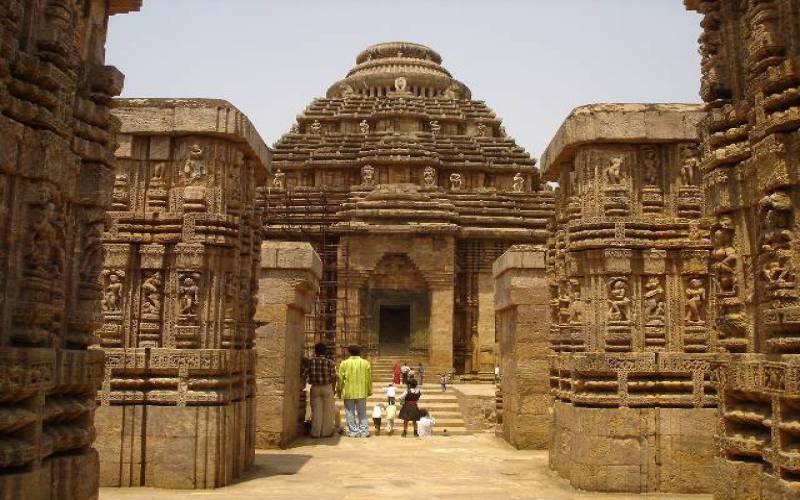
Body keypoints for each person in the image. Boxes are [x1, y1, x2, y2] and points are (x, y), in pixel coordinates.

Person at [303, 342, 337, 438]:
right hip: (327, 387)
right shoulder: (330, 362)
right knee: (328, 410)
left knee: (316, 410)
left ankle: (316, 432)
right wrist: (333, 389)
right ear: (325, 351)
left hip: (315, 387)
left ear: (315, 351)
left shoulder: (311, 362)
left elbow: (304, 374)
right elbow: (333, 377)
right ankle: (327, 432)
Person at [337, 344, 372, 437]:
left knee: (350, 412)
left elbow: (340, 379)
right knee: (362, 412)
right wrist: (369, 390)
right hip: (362, 391)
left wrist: (339, 390)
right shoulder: (365, 363)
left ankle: (353, 431)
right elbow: (369, 378)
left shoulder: (344, 363)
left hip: (348, 391)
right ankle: (364, 431)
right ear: (360, 352)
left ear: (349, 352)